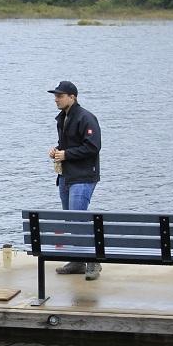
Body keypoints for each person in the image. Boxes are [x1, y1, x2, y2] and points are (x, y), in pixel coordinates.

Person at [47, 80, 102, 281]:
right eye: (55, 96)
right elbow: (68, 145)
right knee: (71, 219)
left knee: (78, 218)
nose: (56, 99)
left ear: (72, 97)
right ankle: (78, 260)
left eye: (60, 96)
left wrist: (67, 154)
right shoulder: (63, 118)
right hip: (66, 176)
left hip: (83, 176)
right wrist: (57, 150)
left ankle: (93, 262)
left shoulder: (86, 118)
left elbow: (93, 146)